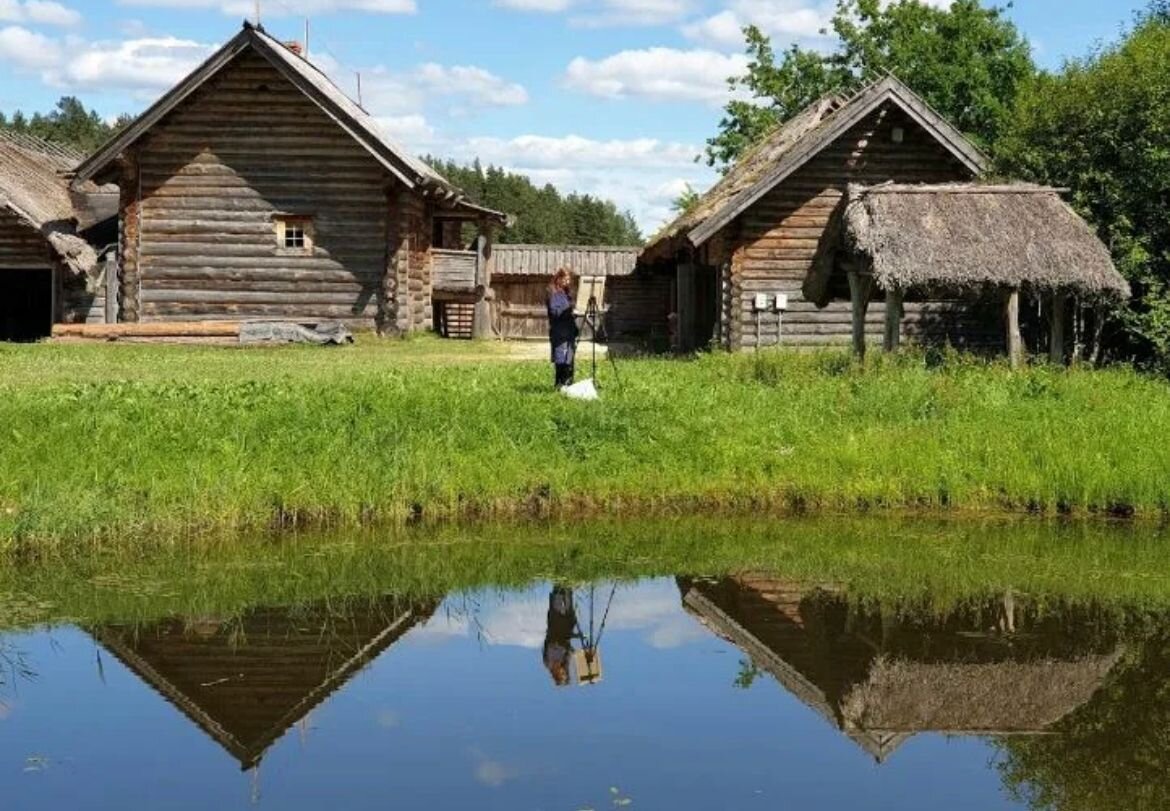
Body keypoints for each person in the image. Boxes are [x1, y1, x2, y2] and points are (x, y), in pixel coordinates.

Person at [546, 269, 578, 389]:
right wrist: (568, 307)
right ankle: (560, 385)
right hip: (559, 332)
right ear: (558, 278)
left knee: (569, 359)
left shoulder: (566, 292)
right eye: (565, 279)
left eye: (569, 279)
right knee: (561, 359)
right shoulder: (552, 292)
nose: (567, 282)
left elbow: (568, 310)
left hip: (569, 330)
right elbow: (555, 312)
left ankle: (569, 385)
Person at [542, 585, 578, 687]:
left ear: (556, 675)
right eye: (565, 673)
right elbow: (568, 647)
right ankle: (568, 584)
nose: (564, 672)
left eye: (562, 674)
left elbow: (550, 643)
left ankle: (558, 583)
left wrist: (565, 646)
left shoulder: (548, 662)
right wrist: (571, 651)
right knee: (568, 600)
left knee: (557, 598)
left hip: (555, 624)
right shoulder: (565, 660)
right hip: (566, 626)